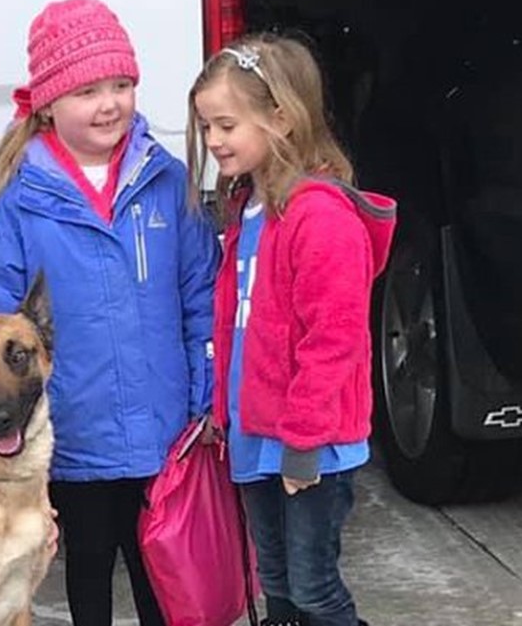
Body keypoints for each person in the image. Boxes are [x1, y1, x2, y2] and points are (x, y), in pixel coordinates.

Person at [0, 0, 220, 626]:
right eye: (87, 90)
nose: (109, 104)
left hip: (164, 433)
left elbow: (200, 296)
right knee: (91, 564)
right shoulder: (20, 197)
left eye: (122, 85)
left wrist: (207, 397)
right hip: (77, 437)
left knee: (165, 572)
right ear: (47, 102)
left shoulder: (165, 181)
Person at [189, 33, 396, 626]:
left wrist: (302, 442)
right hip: (257, 436)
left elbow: (334, 339)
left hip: (309, 446)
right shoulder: (246, 208)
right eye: (206, 128)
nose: (213, 141)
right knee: (275, 584)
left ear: (280, 117)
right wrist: (219, 411)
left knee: (314, 588)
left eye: (226, 125)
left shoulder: (320, 217)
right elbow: (238, 325)